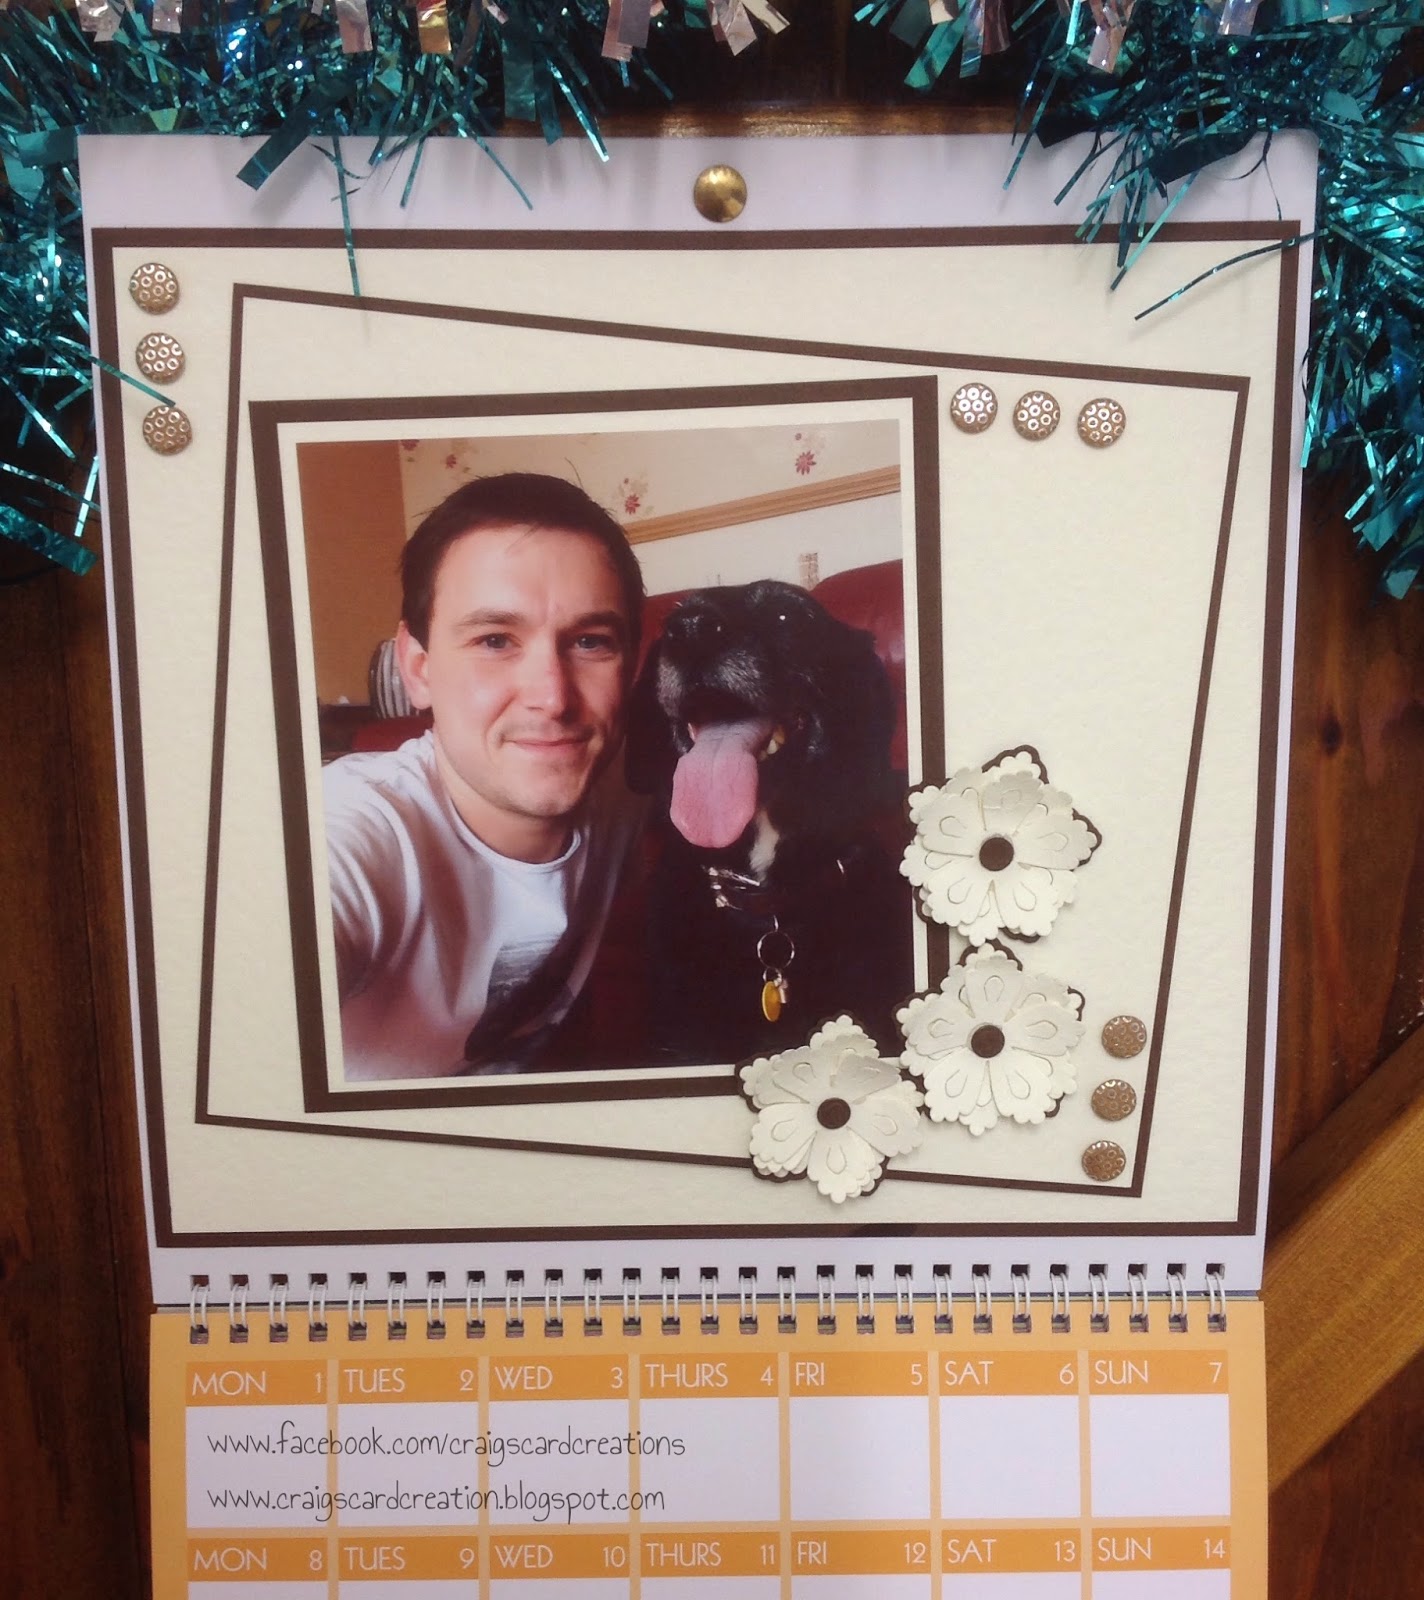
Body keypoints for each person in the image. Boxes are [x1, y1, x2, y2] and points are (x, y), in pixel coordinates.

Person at [322, 472, 646, 1081]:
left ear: (630, 670)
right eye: (495, 640)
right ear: (418, 669)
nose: (553, 698)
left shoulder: (633, 786)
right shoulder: (356, 831)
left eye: (590, 642)